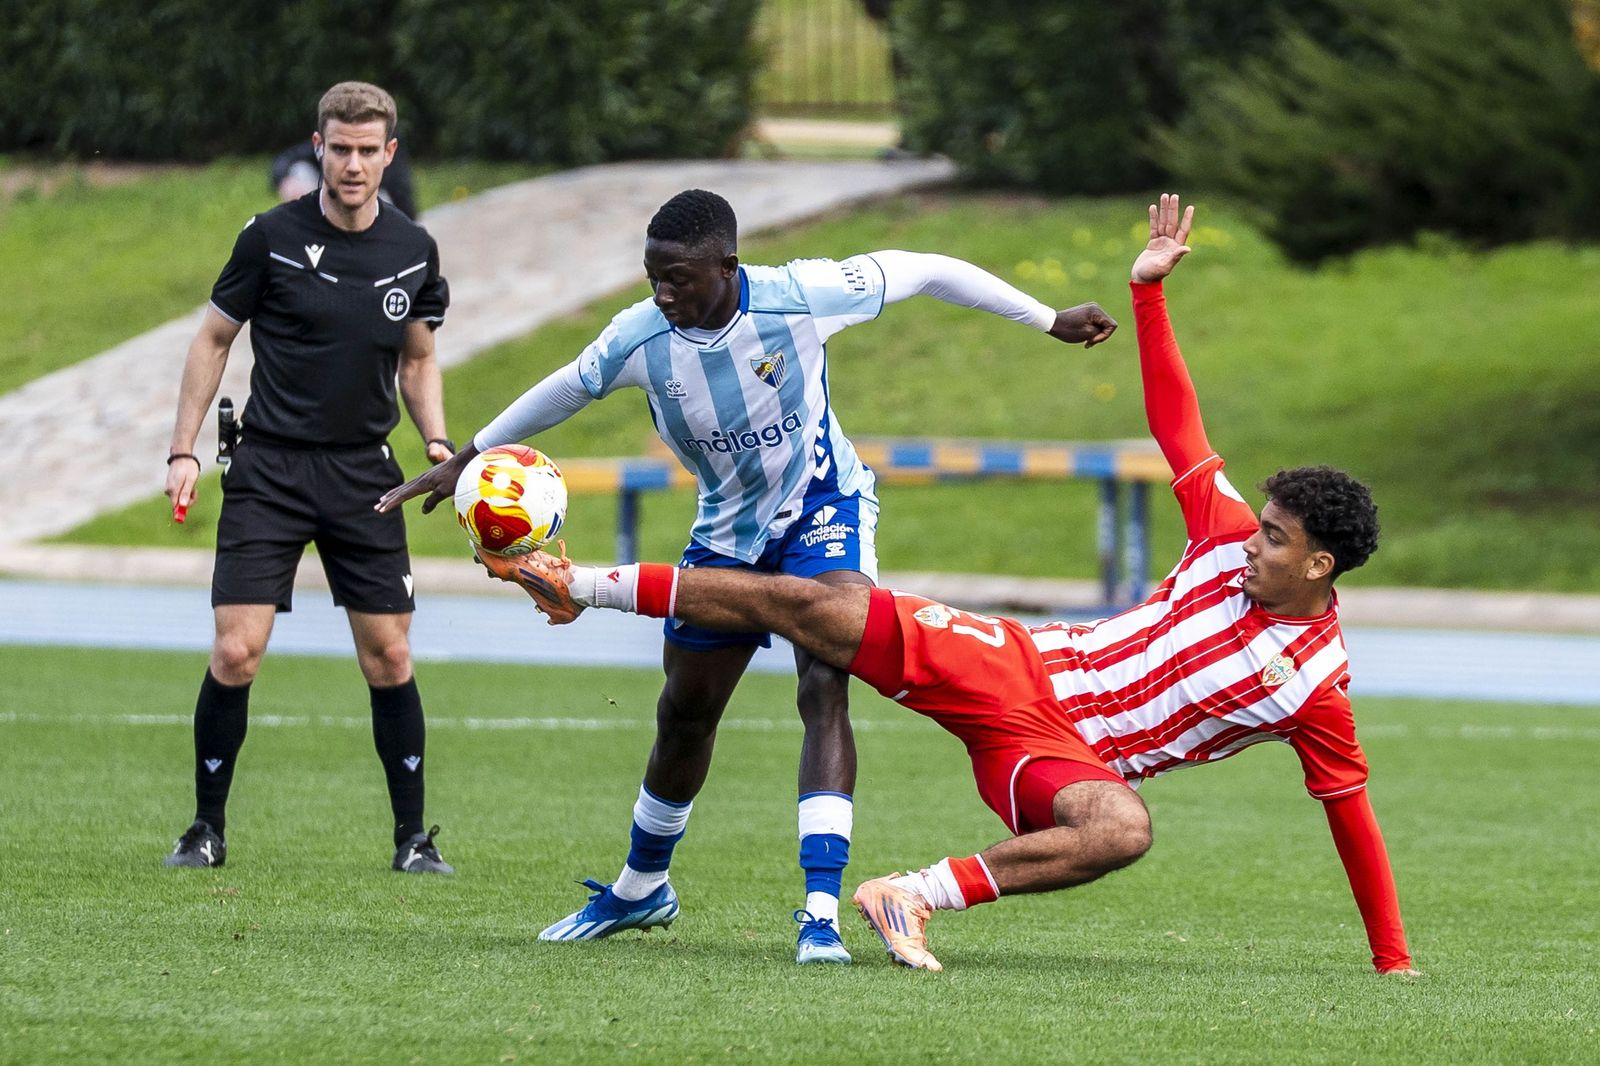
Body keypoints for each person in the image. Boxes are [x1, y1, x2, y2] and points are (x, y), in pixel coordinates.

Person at [471, 194, 1418, 976]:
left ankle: (908, 896)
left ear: (1319, 566)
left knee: (1123, 829)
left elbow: (1353, 816)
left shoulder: (1316, 689)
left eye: (1275, 538)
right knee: (824, 617)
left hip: (1057, 762)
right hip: (1018, 666)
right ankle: (578, 587)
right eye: (1260, 525)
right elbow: (1178, 418)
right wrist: (1145, 293)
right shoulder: (1221, 533)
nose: (1253, 542)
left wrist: (1393, 960)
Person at [377, 188, 1118, 962]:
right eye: (653, 278)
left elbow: (927, 268)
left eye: (679, 279)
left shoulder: (802, 294)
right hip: (727, 532)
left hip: (824, 511)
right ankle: (641, 887)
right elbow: (570, 384)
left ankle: (821, 914)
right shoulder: (640, 337)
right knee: (685, 712)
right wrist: (468, 456)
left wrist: (1048, 318)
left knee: (823, 685)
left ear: (727, 266)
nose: (664, 295)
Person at [162, 81, 455, 875]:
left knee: (389, 656)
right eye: (341, 148)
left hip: (366, 476)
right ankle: (205, 829)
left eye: (368, 151)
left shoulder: (414, 250)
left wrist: (436, 441)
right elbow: (213, 338)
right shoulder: (270, 238)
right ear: (319, 148)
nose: (353, 164)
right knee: (236, 651)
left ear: (389, 154)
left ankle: (413, 840)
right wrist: (184, 450)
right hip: (269, 468)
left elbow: (419, 359)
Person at [271, 137, 418, 220]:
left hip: (374, 211)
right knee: (300, 170)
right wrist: (285, 180)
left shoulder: (386, 149)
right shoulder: (333, 136)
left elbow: (401, 193)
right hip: (329, 205)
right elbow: (288, 158)